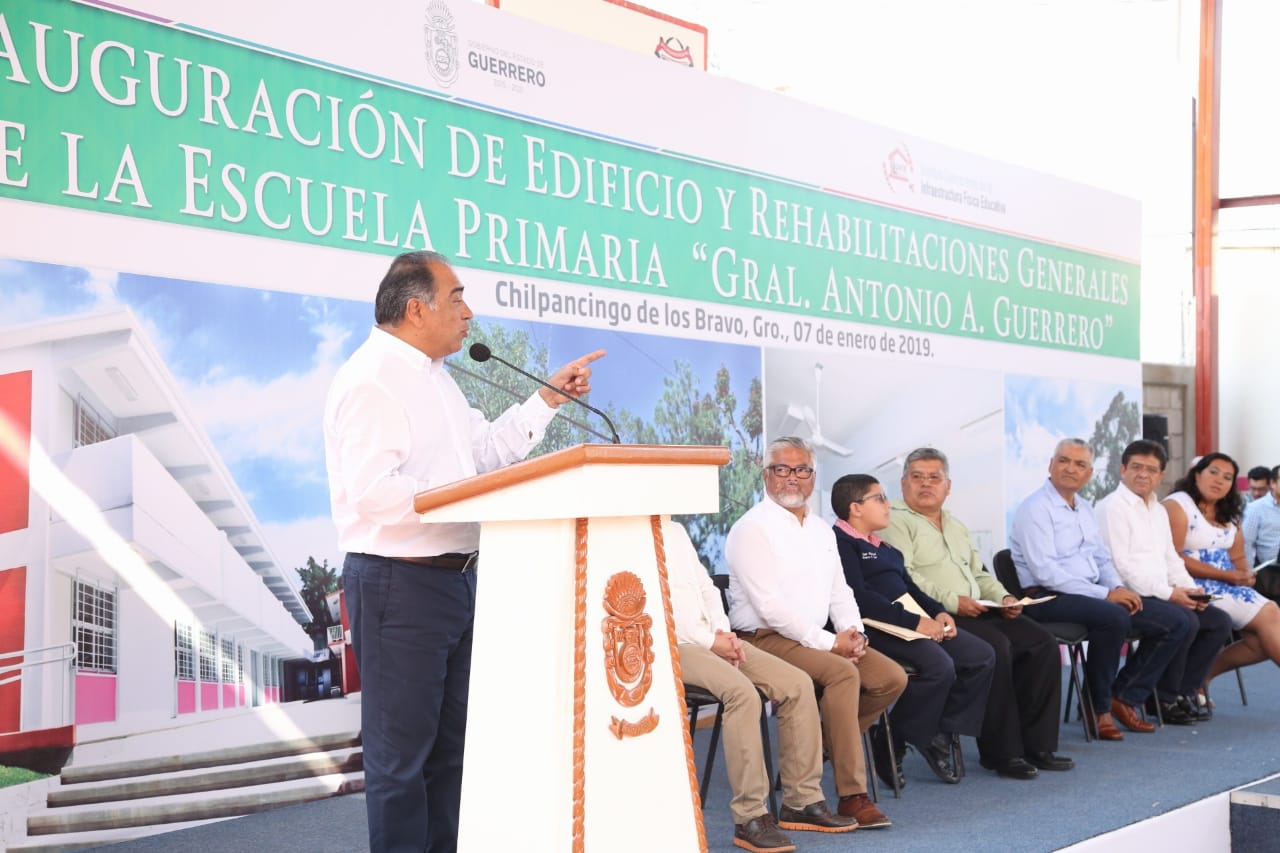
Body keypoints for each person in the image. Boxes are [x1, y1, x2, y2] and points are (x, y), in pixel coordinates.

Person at [323, 250, 605, 853]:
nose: (468, 313)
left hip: (456, 581)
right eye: (457, 298)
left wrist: (547, 399)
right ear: (416, 307)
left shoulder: (438, 379)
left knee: (452, 752)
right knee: (401, 762)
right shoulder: (371, 379)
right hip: (398, 584)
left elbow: (483, 457)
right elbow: (375, 496)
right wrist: (470, 502)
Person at [726, 437, 906, 829]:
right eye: (782, 469)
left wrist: (853, 633)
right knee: (842, 673)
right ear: (766, 475)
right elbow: (770, 607)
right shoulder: (751, 529)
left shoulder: (822, 530)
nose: (793, 478)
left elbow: (840, 591)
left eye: (802, 470)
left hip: (815, 636)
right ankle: (852, 795)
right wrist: (831, 644)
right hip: (763, 637)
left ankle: (816, 746)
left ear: (812, 476)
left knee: (891, 678)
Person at [881, 447, 1073, 780]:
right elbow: (905, 578)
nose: (926, 485)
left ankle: (1038, 745)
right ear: (903, 483)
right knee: (998, 648)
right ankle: (1003, 753)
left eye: (934, 478)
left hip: (979, 607)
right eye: (917, 477)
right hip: (940, 614)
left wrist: (1005, 596)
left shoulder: (954, 524)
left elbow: (979, 573)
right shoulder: (894, 521)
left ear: (948, 485)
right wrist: (953, 602)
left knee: (1040, 642)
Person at [666, 519, 854, 852]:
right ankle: (750, 818)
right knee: (742, 694)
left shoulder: (676, 530)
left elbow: (706, 589)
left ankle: (801, 802)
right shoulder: (629, 532)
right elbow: (659, 605)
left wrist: (723, 634)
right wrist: (711, 641)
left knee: (797, 683)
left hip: (716, 639)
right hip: (673, 645)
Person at [1009, 438, 1190, 741]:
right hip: (1045, 595)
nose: (1071, 468)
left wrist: (1117, 587)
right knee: (1114, 616)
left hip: (1088, 593)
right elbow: (1047, 572)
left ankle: (1125, 696)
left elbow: (1101, 558)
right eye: (1064, 460)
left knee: (1176, 621)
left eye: (1080, 464)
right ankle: (1097, 708)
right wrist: (1106, 595)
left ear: (1089, 474)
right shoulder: (1035, 508)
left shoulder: (1083, 508)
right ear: (1050, 465)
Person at [831, 473, 996, 786]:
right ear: (856, 508)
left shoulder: (886, 548)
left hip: (910, 622)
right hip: (873, 626)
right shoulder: (839, 544)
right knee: (939, 666)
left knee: (980, 656)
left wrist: (939, 612)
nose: (887, 504)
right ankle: (896, 737)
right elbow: (860, 598)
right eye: (879, 498)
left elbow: (911, 588)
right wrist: (917, 622)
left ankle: (932, 730)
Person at [1095, 440, 1232, 724]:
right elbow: (1122, 567)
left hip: (1159, 593)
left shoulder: (1157, 509)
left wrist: (1189, 589)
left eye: (1151, 470)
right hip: (1124, 596)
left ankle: (1177, 694)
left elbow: (1170, 556)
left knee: (1218, 622)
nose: (1143, 474)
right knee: (1182, 621)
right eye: (1136, 467)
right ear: (1122, 470)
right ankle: (1126, 695)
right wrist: (1171, 594)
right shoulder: (1113, 508)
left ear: (1161, 475)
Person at [1165, 453, 1280, 693]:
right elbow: (1173, 556)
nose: (1219, 480)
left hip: (1228, 585)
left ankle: (1202, 677)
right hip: (1189, 585)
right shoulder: (1178, 505)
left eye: (1228, 477)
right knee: (1269, 620)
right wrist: (1229, 577)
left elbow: (1237, 557)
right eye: (1213, 472)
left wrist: (1244, 574)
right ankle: (1198, 680)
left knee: (1264, 634)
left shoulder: (1230, 511)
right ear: (1197, 474)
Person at [1242, 464, 1280, 568]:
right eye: (1252, 488)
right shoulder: (1254, 508)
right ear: (1273, 483)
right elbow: (1246, 543)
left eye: (1261, 489)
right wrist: (1247, 571)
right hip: (1271, 570)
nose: (1256, 493)